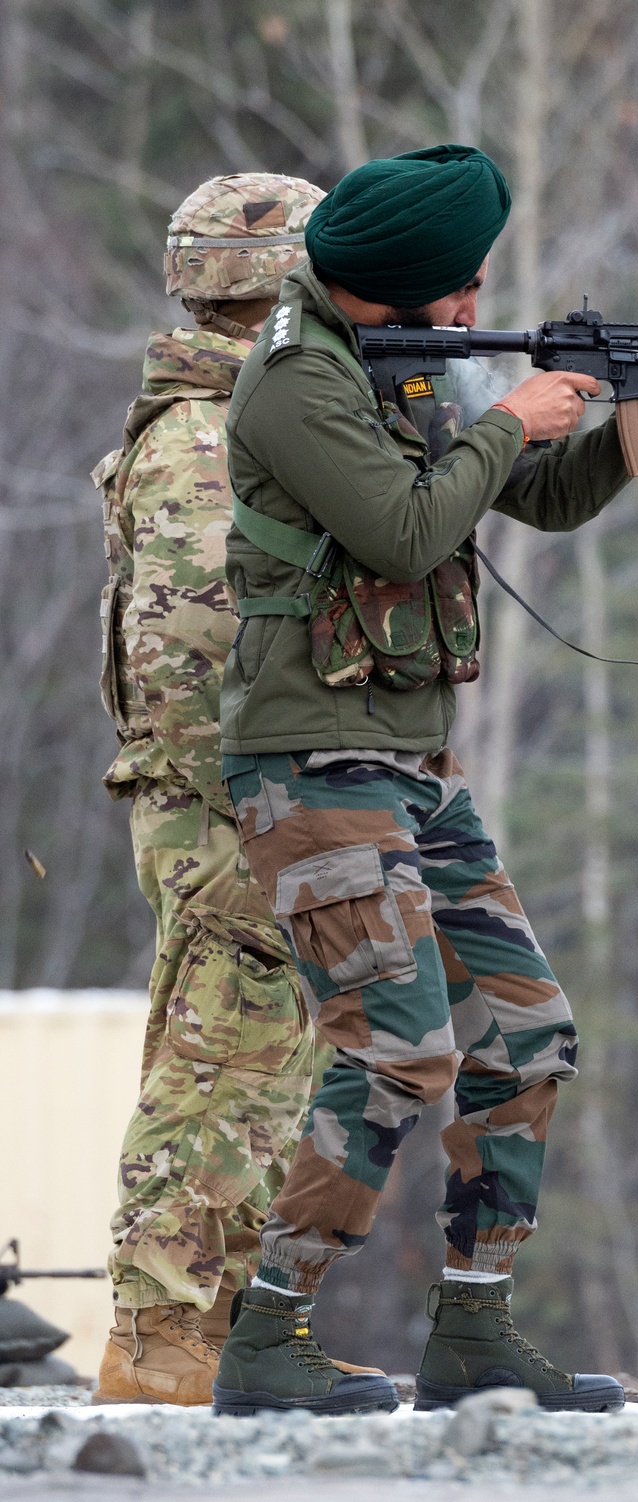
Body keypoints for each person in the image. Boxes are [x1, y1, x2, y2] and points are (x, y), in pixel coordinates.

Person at [212, 144, 638, 1417]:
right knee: (400, 1051)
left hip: (413, 765)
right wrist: (505, 414)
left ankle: (473, 1327)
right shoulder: (296, 381)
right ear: (404, 289)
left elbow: (544, 497)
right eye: (462, 286)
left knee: (531, 1035)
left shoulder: (406, 364)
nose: (478, 305)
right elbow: (408, 530)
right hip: (309, 762)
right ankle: (268, 1334)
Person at [91, 172, 330, 1406]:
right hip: (227, 796)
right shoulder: (204, 436)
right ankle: (159, 1331)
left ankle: (220, 1323)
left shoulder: (247, 413)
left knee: (262, 1063)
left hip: (248, 794)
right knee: (217, 1066)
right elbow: (187, 652)